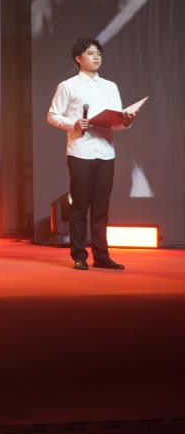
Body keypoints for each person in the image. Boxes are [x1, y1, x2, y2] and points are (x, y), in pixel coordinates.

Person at [47, 37, 136, 270]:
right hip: (81, 151)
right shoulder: (68, 86)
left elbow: (115, 123)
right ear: (78, 58)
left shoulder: (110, 86)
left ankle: (102, 256)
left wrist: (125, 121)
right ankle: (79, 255)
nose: (96, 57)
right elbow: (52, 116)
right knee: (80, 206)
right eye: (90, 53)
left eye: (99, 53)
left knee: (101, 208)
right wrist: (74, 124)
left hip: (105, 151)